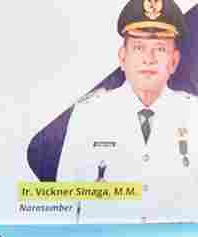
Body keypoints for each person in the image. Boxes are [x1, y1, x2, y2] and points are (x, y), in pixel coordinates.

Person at [57, 0, 198, 223]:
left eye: (160, 49)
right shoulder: (89, 115)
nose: (149, 58)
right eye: (139, 48)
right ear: (122, 57)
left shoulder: (194, 115)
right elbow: (62, 207)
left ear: (174, 61)